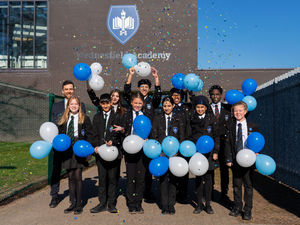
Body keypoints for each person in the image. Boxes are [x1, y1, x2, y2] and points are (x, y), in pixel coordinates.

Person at [123, 67, 162, 202]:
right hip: (132, 143)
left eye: (146, 87)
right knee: (133, 172)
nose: (144, 88)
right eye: (142, 86)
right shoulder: (133, 102)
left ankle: (147, 192)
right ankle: (132, 197)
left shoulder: (151, 101)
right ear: (138, 88)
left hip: (147, 141)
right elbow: (126, 92)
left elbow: (158, 94)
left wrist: (156, 78)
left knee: (145, 171)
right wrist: (131, 75)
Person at [49, 80, 86, 208]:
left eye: (71, 89)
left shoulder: (81, 106)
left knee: (74, 173)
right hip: (60, 144)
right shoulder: (56, 106)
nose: (69, 91)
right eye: (66, 89)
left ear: (73, 90)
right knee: (56, 169)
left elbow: (83, 125)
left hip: (74, 146)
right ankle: (54, 195)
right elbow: (54, 125)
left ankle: (76, 201)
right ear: (62, 91)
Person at [57, 96, 93, 214]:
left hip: (79, 149)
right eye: (71, 104)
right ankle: (72, 203)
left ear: (79, 106)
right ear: (68, 106)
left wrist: (88, 151)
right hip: (67, 151)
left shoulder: (84, 118)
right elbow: (60, 135)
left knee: (77, 177)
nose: (74, 106)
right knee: (70, 177)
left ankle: (79, 204)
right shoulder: (64, 119)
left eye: (76, 104)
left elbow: (90, 135)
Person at [225, 101, 259, 220]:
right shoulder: (230, 126)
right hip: (236, 160)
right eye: (235, 111)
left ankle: (248, 210)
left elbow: (257, 141)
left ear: (245, 111)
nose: (237, 113)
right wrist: (229, 158)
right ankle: (237, 207)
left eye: (240, 110)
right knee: (236, 185)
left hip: (249, 160)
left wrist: (257, 151)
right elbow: (228, 143)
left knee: (248, 185)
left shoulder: (253, 126)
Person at [120, 93, 153, 214]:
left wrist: (148, 139)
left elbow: (151, 130)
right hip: (130, 150)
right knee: (130, 177)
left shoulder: (148, 115)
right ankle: (131, 203)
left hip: (143, 151)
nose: (137, 105)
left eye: (140, 103)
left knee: (141, 178)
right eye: (135, 103)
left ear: (143, 104)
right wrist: (123, 131)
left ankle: (138, 203)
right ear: (131, 103)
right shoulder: (127, 115)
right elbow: (124, 130)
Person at [151, 96, 185, 215]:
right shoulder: (157, 118)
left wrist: (177, 152)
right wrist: (160, 151)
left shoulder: (178, 118)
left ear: (173, 106)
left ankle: (171, 204)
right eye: (164, 106)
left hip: (175, 155)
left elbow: (181, 136)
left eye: (169, 106)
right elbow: (154, 135)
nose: (167, 108)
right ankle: (164, 205)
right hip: (162, 154)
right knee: (163, 180)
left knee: (173, 181)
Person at [90, 94, 123, 214]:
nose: (105, 105)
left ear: (111, 103)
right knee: (102, 179)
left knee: (113, 178)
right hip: (101, 153)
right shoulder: (97, 117)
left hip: (114, 153)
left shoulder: (117, 116)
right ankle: (102, 203)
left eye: (107, 103)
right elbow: (94, 134)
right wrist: (97, 146)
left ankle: (111, 204)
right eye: (103, 103)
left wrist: (113, 141)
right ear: (100, 104)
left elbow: (119, 134)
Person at [189, 95, 219, 215]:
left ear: (206, 108)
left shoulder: (212, 119)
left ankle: (208, 204)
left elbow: (216, 136)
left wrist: (216, 151)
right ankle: (199, 205)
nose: (200, 109)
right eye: (198, 107)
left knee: (208, 180)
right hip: (197, 154)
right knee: (198, 180)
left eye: (202, 107)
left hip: (210, 154)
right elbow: (189, 136)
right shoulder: (192, 119)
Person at [208, 85, 231, 201]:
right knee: (211, 167)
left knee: (224, 169)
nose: (215, 96)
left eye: (217, 94)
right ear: (210, 95)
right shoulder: (206, 108)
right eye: (213, 94)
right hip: (210, 142)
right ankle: (210, 192)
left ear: (221, 95)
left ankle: (224, 193)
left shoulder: (228, 108)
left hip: (224, 142)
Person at [169, 88, 191, 203]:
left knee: (184, 170)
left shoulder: (187, 108)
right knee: (173, 169)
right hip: (172, 145)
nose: (176, 97)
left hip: (184, 143)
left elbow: (189, 126)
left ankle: (183, 194)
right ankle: (173, 193)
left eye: (178, 95)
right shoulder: (168, 109)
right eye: (174, 95)